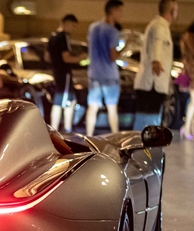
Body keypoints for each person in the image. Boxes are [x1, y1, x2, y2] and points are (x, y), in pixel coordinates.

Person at [132, 0, 178, 131]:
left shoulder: (154, 24)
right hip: (153, 83)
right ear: (171, 11)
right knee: (151, 119)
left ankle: (136, 146)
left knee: (141, 118)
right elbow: (158, 44)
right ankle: (149, 148)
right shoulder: (161, 27)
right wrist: (156, 61)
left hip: (147, 81)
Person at [85, 0, 125, 136]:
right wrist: (126, 46)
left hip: (94, 74)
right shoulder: (112, 31)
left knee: (93, 107)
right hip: (109, 76)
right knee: (112, 109)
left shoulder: (92, 27)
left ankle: (89, 137)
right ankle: (116, 138)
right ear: (112, 12)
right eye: (119, 11)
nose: (120, 14)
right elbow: (113, 56)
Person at [47, 14, 88, 133]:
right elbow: (66, 58)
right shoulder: (64, 36)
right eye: (73, 26)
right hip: (64, 74)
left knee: (68, 100)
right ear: (66, 23)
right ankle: (64, 129)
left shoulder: (52, 36)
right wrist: (81, 58)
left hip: (57, 73)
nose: (74, 29)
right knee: (62, 102)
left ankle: (60, 128)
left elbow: (47, 57)